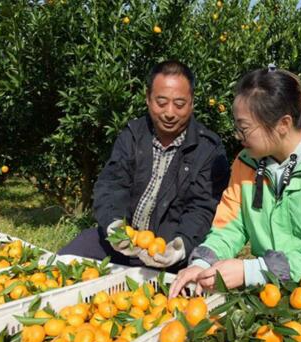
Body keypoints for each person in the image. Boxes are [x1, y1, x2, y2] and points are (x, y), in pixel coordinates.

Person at [170, 67, 301, 296]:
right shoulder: (246, 163)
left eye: (244, 128)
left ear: (283, 125)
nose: (238, 136)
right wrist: (204, 262)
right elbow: (230, 225)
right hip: (272, 293)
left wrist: (253, 271)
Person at [58, 60, 230, 271]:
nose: (169, 112)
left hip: (166, 254)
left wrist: (180, 246)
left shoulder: (208, 149)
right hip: (122, 243)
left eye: (179, 104)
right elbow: (112, 185)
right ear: (148, 99)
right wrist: (115, 227)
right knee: (63, 264)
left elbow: (203, 207)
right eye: (161, 102)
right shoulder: (133, 135)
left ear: (192, 103)